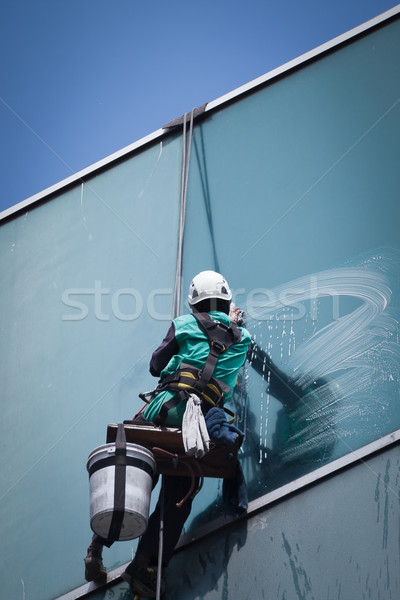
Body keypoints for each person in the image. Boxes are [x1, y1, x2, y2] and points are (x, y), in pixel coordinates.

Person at [84, 271, 252, 597]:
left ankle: (96, 550)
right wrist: (235, 323)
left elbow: (156, 364)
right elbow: (233, 350)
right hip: (198, 427)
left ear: (195, 302)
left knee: (131, 472)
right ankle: (146, 565)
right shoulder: (242, 338)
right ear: (226, 299)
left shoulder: (184, 324)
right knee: (180, 493)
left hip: (166, 410)